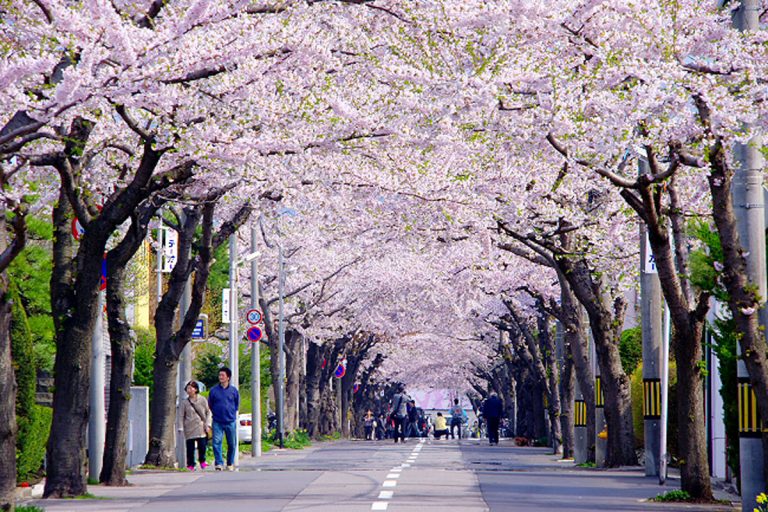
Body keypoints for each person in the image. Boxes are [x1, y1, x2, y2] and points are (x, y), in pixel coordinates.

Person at [208, 366, 240, 471]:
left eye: (223, 375)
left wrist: (231, 413)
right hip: (217, 421)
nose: (220, 377)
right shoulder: (213, 391)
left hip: (230, 421)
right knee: (216, 442)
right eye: (219, 375)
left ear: (228, 377)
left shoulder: (233, 391)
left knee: (232, 443)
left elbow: (236, 404)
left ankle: (230, 462)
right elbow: (210, 404)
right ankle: (219, 463)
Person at [181, 381, 212, 471]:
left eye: (191, 388)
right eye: (188, 388)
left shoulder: (202, 399)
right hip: (189, 427)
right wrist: (181, 426)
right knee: (190, 447)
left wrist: (208, 424)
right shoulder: (185, 402)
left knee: (202, 445)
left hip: (201, 426)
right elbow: (181, 415)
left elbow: (208, 412)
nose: (189, 390)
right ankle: (190, 464)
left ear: (196, 389)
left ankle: (202, 461)